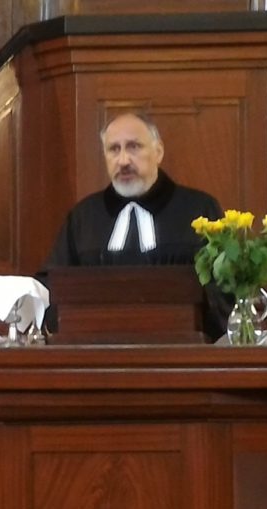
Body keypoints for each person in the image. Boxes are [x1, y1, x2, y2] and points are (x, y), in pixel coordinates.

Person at [39, 112, 228, 339]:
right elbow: (52, 287)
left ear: (158, 152)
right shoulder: (84, 217)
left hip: (182, 353)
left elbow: (225, 287)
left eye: (134, 147)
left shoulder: (199, 209)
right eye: (114, 149)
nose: (123, 161)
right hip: (96, 352)